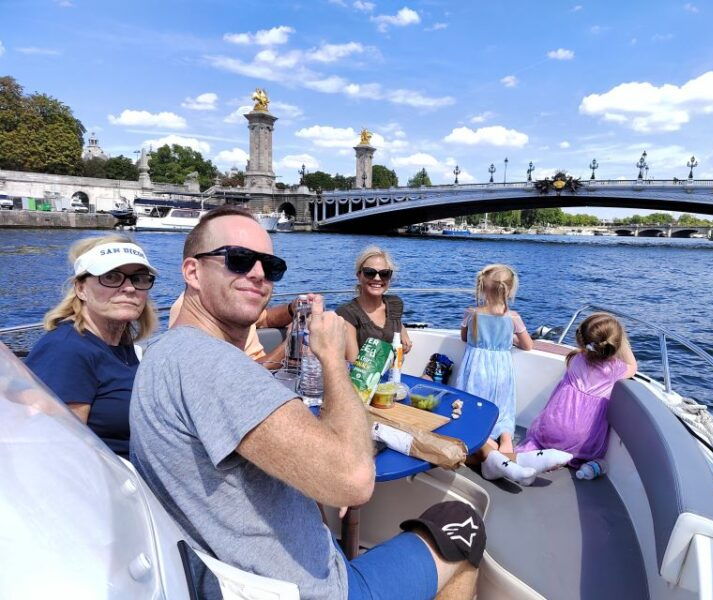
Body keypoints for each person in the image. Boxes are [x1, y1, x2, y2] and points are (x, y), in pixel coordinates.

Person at [130, 206, 485, 600]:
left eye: (271, 266)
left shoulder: (166, 353)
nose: (259, 274)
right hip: (316, 590)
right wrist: (331, 356)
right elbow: (354, 481)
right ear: (192, 272)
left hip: (246, 571)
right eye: (238, 260)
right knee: (461, 523)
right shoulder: (213, 366)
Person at [26, 235, 157, 458]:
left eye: (139, 278)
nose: (129, 288)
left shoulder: (121, 346)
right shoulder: (67, 350)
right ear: (81, 289)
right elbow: (60, 452)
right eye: (111, 277)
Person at [516, 312, 638, 466]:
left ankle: (537, 456)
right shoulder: (615, 370)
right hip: (584, 442)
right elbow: (633, 366)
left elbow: (585, 352)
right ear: (614, 345)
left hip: (551, 430)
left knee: (540, 438)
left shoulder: (574, 359)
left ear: (582, 339)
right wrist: (622, 340)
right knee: (586, 453)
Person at [454, 264, 534, 455]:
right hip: (501, 370)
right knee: (503, 406)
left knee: (475, 405)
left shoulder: (471, 313)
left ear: (481, 287)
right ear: (509, 290)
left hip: (475, 368)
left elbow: (464, 338)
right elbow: (528, 345)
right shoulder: (513, 317)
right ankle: (506, 438)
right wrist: (510, 339)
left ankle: (487, 440)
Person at [168, 291, 318, 365]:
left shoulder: (227, 299)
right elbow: (233, 376)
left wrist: (292, 309)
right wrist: (290, 346)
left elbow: (265, 319)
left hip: (270, 375)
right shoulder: (192, 312)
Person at [335, 246, 412, 362]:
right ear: (359, 275)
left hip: (394, 370)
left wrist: (402, 329)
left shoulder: (395, 304)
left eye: (384, 273)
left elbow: (394, 322)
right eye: (369, 272)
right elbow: (353, 363)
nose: (377, 278)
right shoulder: (347, 313)